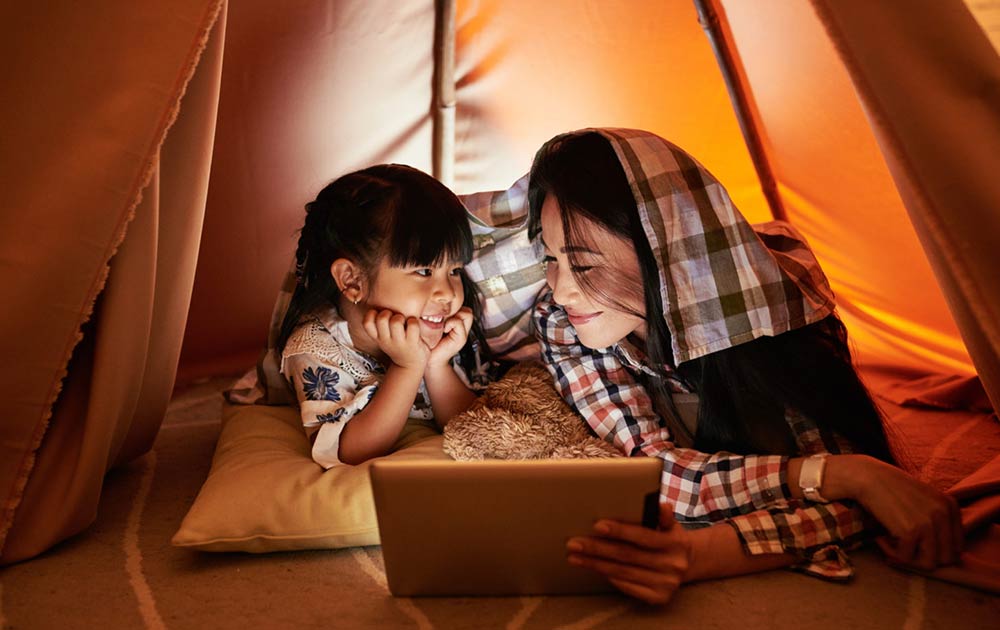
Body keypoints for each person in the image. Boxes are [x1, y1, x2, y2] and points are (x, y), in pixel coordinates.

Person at [528, 129, 962, 604]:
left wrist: (701, 552)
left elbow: (875, 500)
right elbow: (654, 472)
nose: (561, 289)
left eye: (585, 266)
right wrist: (848, 475)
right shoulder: (561, 322)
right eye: (550, 259)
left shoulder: (773, 317)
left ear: (663, 255)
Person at [277, 164, 492, 467]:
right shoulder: (316, 347)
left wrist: (435, 364)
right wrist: (407, 367)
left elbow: (474, 428)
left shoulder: (442, 327)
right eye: (423, 271)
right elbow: (350, 451)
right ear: (352, 280)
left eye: (454, 270)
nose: (447, 293)